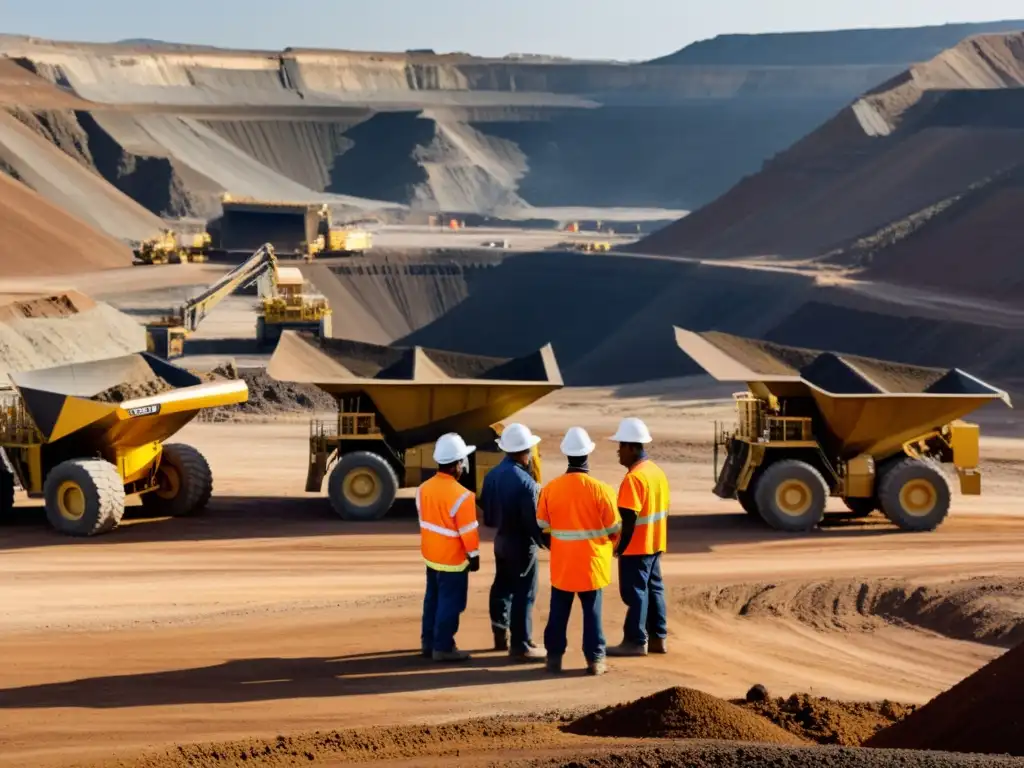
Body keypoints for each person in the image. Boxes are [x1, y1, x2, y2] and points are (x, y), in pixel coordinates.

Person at [537, 427, 621, 676]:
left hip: (563, 564)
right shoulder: (601, 489)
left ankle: (554, 660)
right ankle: (595, 661)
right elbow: (615, 529)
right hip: (592, 565)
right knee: (592, 613)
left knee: (558, 613)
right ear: (588, 455)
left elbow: (542, 526)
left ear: (567, 455)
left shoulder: (551, 489)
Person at [479, 423, 546, 662]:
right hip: (521, 545)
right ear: (525, 451)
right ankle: (521, 643)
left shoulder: (492, 475)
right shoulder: (526, 483)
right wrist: (543, 541)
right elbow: (532, 521)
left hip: (501, 542)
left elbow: (485, 509)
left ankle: (501, 636)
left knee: (502, 587)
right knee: (524, 593)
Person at [605, 417, 670, 657]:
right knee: (654, 589)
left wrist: (620, 546)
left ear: (632, 447)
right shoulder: (656, 472)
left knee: (635, 593)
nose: (618, 452)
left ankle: (635, 640)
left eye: (620, 446)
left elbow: (629, 519)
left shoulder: (633, 479)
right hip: (655, 542)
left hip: (637, 546)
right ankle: (658, 638)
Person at [417, 432, 481, 662]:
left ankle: (428, 642)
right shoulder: (463, 496)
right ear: (456, 465)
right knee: (450, 603)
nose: (464, 465)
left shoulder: (423, 488)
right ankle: (443, 647)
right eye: (463, 461)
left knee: (432, 600)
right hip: (452, 562)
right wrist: (474, 556)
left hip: (431, 557)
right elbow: (468, 532)